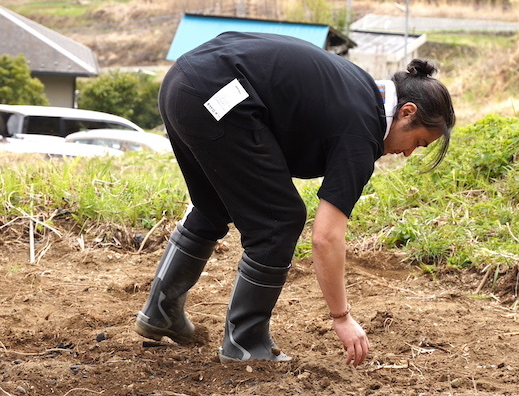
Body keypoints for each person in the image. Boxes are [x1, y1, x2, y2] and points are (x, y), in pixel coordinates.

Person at [134, 31, 455, 366]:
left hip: (184, 82)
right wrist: (341, 317)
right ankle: (245, 343)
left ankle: (161, 311)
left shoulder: (360, 89)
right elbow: (326, 237)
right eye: (418, 142)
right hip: (216, 95)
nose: (406, 154)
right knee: (279, 219)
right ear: (406, 112)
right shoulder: (361, 129)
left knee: (213, 205)